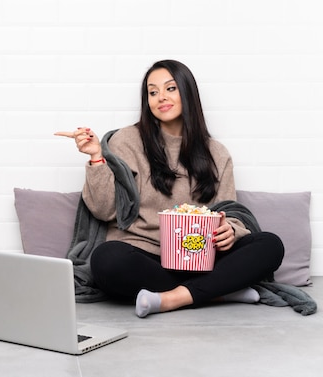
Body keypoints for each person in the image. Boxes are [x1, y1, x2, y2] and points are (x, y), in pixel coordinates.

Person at [55, 59, 284, 318]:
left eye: (170, 88)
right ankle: (218, 292)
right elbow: (104, 211)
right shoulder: (126, 141)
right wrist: (97, 158)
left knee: (270, 245)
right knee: (106, 260)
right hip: (145, 256)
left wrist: (230, 230)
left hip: (200, 258)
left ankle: (172, 298)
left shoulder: (217, 154)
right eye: (152, 92)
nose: (160, 97)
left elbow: (229, 210)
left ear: (187, 92)